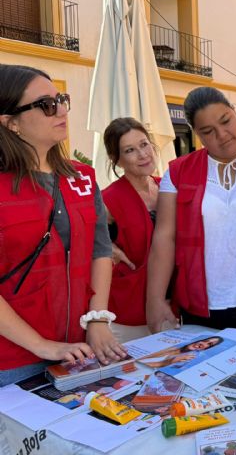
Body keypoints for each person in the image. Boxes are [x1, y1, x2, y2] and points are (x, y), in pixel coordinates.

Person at [0, 64, 126, 386]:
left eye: (61, 99)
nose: (61, 110)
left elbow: (100, 249)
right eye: (46, 105)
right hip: (12, 360)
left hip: (79, 348)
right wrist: (44, 346)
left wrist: (97, 318)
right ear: (10, 123)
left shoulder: (82, 177)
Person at [146, 87, 236, 332]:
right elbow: (164, 237)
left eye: (226, 121)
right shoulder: (179, 171)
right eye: (208, 131)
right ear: (197, 135)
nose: (222, 135)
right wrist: (155, 299)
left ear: (235, 112)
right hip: (198, 304)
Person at [102, 117, 159, 342]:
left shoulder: (167, 187)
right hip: (128, 312)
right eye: (130, 150)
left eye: (144, 144)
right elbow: (79, 237)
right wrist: (108, 248)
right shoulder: (108, 199)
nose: (143, 154)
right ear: (117, 160)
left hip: (170, 305)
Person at [138, 335, 223, 368]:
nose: (203, 344)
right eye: (206, 340)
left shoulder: (190, 357)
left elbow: (155, 366)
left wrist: (170, 361)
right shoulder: (177, 346)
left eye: (210, 345)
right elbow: (144, 356)